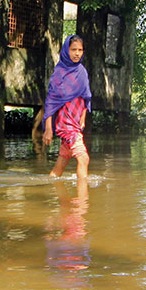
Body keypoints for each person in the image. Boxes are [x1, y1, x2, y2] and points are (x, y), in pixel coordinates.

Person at [43, 34, 91, 180]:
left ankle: (56, 195)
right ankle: (83, 201)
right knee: (83, 158)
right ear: (66, 50)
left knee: (61, 164)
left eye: (80, 50)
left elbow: (86, 96)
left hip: (76, 122)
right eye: (73, 49)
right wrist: (48, 129)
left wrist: (83, 119)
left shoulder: (81, 71)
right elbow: (51, 101)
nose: (77, 53)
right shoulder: (60, 72)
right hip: (65, 123)